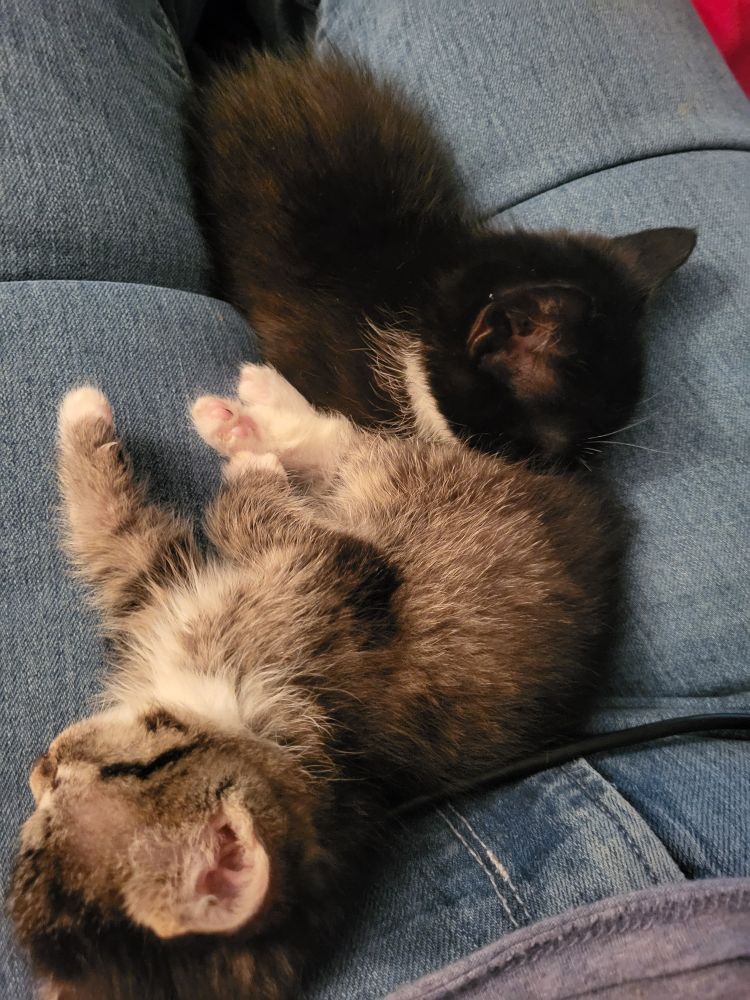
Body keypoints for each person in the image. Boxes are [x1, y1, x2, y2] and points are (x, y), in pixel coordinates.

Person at [1, 2, 748, 996]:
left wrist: (95, 479)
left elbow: (148, 584)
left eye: (30, 801)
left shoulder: (201, 791)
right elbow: (334, 568)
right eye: (65, 790)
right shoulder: (265, 745)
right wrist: (259, 489)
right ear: (224, 856)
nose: (43, 765)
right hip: (673, 723)